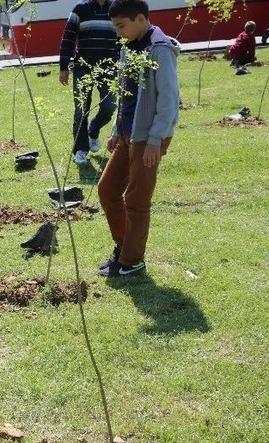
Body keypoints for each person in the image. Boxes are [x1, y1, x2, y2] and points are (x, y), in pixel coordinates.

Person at [97, 0, 179, 277]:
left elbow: (169, 100)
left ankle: (133, 261)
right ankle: (123, 249)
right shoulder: (128, 47)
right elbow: (125, 95)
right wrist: (115, 131)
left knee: (136, 199)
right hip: (126, 133)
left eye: (122, 25)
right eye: (116, 27)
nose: (119, 32)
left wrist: (156, 139)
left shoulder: (159, 48)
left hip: (148, 137)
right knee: (107, 190)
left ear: (141, 19)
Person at [59, 0, 120, 166]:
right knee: (81, 109)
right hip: (83, 68)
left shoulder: (115, 7)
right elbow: (68, 38)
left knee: (110, 105)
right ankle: (80, 150)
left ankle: (93, 130)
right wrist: (64, 66)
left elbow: (122, 37)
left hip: (109, 67)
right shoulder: (80, 9)